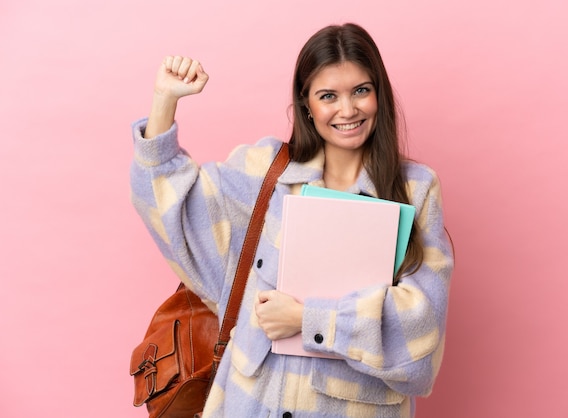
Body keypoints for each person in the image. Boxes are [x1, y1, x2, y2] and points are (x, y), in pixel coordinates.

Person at [131, 23, 454, 418]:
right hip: (250, 404)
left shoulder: (416, 189)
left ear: (379, 95)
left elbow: (421, 330)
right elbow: (173, 205)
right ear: (306, 104)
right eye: (328, 96)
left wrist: (307, 319)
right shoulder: (265, 171)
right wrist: (164, 100)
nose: (347, 110)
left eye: (361, 91)